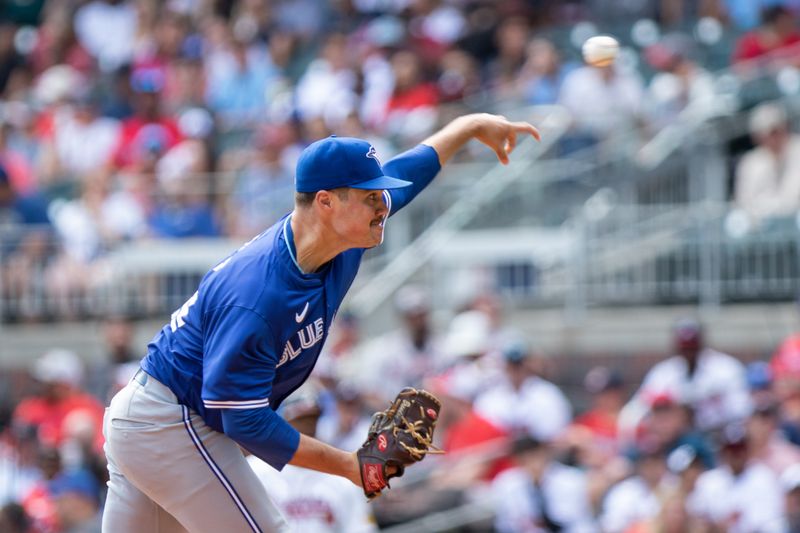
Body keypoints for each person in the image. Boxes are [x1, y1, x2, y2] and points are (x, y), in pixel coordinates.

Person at [101, 112, 540, 532]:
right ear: (326, 202)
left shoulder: (341, 234)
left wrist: (467, 127)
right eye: (369, 196)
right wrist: (352, 466)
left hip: (156, 421)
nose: (381, 205)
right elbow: (243, 422)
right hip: (172, 422)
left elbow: (407, 177)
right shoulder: (258, 295)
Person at [247, 382, 377, 533]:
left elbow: (360, 528)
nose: (308, 426)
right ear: (282, 420)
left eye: (312, 418)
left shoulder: (342, 474)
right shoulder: (253, 471)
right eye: (300, 419)